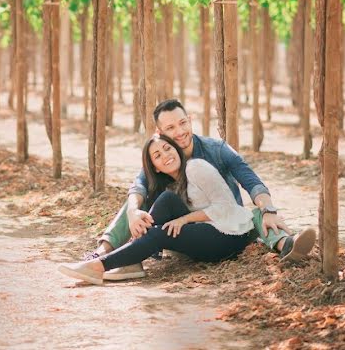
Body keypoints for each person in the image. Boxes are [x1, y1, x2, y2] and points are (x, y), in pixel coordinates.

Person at [86, 98, 315, 281]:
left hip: (222, 226)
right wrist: (133, 211)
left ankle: (287, 244)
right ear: (160, 132)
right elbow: (139, 186)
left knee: (257, 215)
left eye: (183, 123)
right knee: (136, 203)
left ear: (190, 120)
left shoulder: (216, 150)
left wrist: (268, 208)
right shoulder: (162, 157)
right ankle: (104, 252)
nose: (179, 132)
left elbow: (250, 180)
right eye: (170, 128)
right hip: (182, 229)